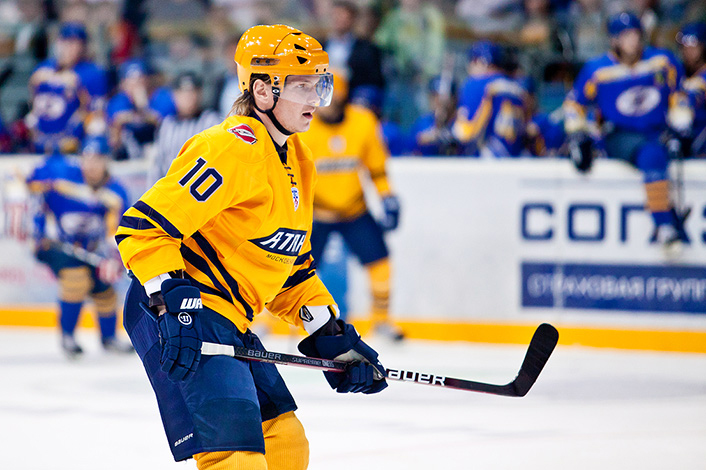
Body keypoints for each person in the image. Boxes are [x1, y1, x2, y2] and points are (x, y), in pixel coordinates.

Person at [115, 24, 388, 470]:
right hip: (185, 310)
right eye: (302, 86)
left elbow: (290, 269)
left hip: (230, 319)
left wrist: (332, 337)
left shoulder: (300, 159)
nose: (316, 98)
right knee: (235, 457)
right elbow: (142, 229)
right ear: (262, 91)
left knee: (285, 442)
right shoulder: (229, 149)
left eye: (319, 84)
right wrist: (172, 306)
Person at [563, 12, 693, 248]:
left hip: (657, 131)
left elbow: (679, 96)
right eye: (625, 36)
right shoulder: (597, 69)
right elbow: (574, 105)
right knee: (652, 155)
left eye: (635, 34)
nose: (632, 41)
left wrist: (682, 125)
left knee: (662, 150)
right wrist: (578, 134)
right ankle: (664, 224)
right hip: (619, 134)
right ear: (614, 40)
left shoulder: (662, 61)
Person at [299, 70, 404, 341]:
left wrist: (387, 197)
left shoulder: (363, 122)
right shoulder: (302, 126)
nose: (329, 106)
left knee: (380, 262)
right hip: (316, 213)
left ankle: (381, 321)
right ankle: (269, 322)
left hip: (354, 210)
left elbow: (376, 168)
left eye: (335, 99)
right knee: (288, 265)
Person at [26, 136, 132, 357]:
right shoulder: (64, 179)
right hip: (57, 245)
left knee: (104, 287)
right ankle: (68, 336)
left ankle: (109, 338)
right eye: (87, 158)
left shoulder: (116, 192)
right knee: (76, 279)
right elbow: (35, 184)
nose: (91, 165)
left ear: (106, 161)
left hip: (92, 250)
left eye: (97, 159)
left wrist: (113, 257)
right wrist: (38, 230)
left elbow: (117, 231)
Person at [26, 22, 109, 154]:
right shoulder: (43, 67)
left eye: (75, 43)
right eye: (66, 42)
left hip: (75, 141)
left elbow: (97, 111)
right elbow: (33, 99)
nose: (69, 47)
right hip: (42, 136)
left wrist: (77, 86)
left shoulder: (92, 73)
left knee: (96, 127)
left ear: (83, 46)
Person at [453, 40, 532, 157]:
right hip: (514, 159)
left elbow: (464, 134)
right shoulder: (517, 88)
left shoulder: (475, 85)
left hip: (485, 160)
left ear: (479, 62)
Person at [150, 72, 221, 184]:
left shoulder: (211, 121)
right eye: (183, 92)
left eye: (193, 91)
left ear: (200, 93)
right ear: (174, 95)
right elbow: (158, 164)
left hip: (202, 187)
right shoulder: (167, 125)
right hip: (171, 188)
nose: (189, 97)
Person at [106, 58, 176, 160]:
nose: (137, 84)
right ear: (123, 84)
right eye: (132, 81)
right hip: (129, 149)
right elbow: (116, 124)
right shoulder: (118, 100)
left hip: (158, 147)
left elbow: (163, 122)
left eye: (140, 79)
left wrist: (142, 106)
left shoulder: (162, 96)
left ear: (148, 80)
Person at [323, 1, 385, 100]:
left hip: (352, 94)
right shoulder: (320, 45)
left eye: (342, 16)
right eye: (335, 15)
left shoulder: (367, 49)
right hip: (323, 91)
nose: (338, 19)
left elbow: (374, 79)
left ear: (352, 19)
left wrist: (348, 74)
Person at [676, 22, 706, 158]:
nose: (689, 51)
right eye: (685, 46)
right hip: (680, 138)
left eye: (694, 46)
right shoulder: (677, 74)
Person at [410, 75, 459, 156]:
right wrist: (435, 129)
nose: (438, 101)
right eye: (434, 96)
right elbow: (412, 145)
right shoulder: (423, 122)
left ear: (454, 99)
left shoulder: (460, 120)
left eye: (443, 97)